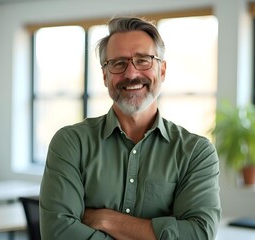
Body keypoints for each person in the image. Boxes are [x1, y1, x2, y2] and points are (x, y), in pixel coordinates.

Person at [40, 16, 221, 240]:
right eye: (118, 63)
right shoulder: (71, 143)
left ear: (162, 71)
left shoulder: (196, 153)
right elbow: (57, 234)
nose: (131, 73)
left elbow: (198, 234)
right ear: (105, 76)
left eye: (143, 60)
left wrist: (108, 220)